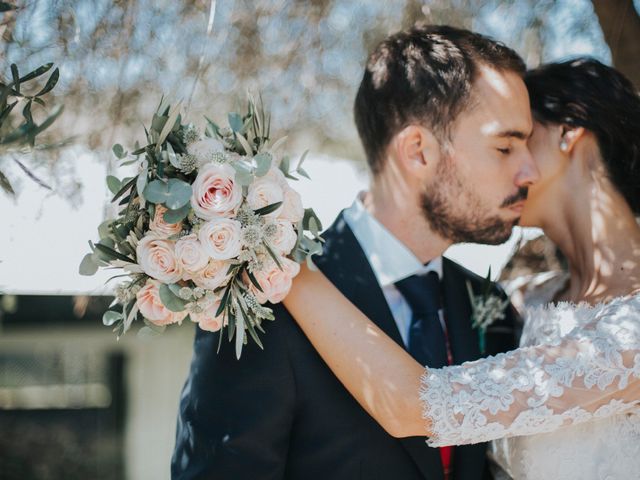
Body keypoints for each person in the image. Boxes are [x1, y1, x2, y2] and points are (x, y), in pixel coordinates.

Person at [171, 25, 538, 480]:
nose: (530, 170)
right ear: (418, 152)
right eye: (505, 146)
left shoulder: (492, 307)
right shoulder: (260, 300)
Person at [281, 58, 640, 480]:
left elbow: (414, 405)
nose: (509, 167)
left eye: (518, 140)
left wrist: (276, 259)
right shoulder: (523, 300)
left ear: (568, 134)